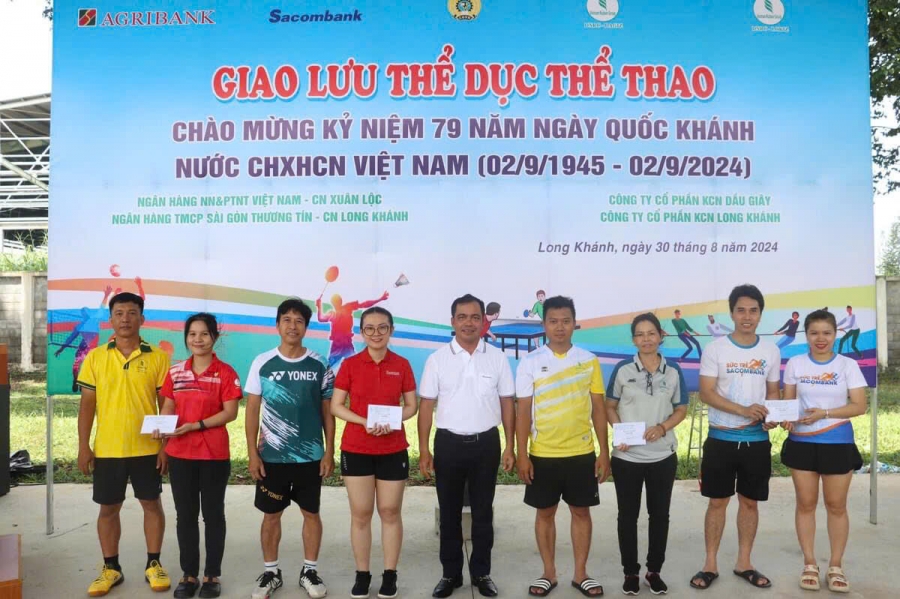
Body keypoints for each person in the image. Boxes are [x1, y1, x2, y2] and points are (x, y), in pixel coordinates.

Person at [418, 294, 516, 598]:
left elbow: (507, 403)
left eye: (475, 317)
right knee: (449, 513)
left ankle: (481, 572)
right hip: (448, 444)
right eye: (462, 317)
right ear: (453, 322)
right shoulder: (437, 359)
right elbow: (426, 406)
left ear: (483, 322)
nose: (469, 323)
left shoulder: (497, 357)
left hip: (486, 443)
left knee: (483, 513)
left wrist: (509, 446)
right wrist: (424, 450)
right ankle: (450, 574)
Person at [76, 292, 172, 597]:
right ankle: (111, 568)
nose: (125, 319)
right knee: (108, 508)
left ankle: (153, 564)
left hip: (147, 449)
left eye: (132, 313)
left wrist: (164, 446)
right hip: (108, 448)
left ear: (142, 319)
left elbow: (165, 404)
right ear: (111, 319)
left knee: (152, 505)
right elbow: (87, 405)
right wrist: (84, 446)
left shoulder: (158, 357)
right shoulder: (96, 357)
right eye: (119, 313)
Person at [516, 296, 611, 598]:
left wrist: (604, 451)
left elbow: (598, 409)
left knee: (581, 512)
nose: (560, 327)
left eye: (566, 321)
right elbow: (522, 411)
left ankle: (581, 574)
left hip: (581, 453)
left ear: (574, 324)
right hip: (542, 454)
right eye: (553, 321)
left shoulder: (589, 360)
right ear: (544, 324)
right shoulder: (529, 362)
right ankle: (549, 573)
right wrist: (521, 454)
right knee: (545, 513)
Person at [690, 284, 781, 591]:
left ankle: (744, 563)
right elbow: (706, 393)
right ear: (731, 313)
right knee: (717, 502)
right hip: (721, 439)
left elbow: (773, 392)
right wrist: (743, 410)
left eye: (753, 311)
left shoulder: (770, 351)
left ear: (760, 315)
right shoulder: (716, 349)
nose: (747, 316)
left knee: (750, 503)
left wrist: (772, 415)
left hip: (757, 442)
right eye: (741, 310)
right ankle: (710, 565)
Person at [245, 299, 335, 599]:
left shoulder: (320, 363)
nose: (292, 326)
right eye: (287, 319)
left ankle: (310, 571)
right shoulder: (263, 362)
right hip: (272, 457)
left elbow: (327, 411)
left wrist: (329, 451)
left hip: (310, 457)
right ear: (277, 325)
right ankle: (271, 572)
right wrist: (253, 453)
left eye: (299, 321)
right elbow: (252, 410)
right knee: (271, 515)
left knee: (311, 513)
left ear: (306, 327)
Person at [329, 307, 418, 599]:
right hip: (356, 448)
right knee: (361, 513)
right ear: (361, 332)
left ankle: (390, 575)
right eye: (369, 328)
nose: (376, 333)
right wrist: (364, 421)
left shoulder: (402, 365)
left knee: (390, 511)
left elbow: (411, 406)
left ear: (391, 330)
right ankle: (362, 574)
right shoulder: (350, 365)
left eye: (382, 328)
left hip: (393, 448)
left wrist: (392, 420)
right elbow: (336, 406)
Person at [153, 313, 242, 599]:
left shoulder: (225, 372)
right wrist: (162, 428)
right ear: (186, 338)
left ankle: (211, 575)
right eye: (192, 334)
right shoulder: (175, 372)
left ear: (214, 337)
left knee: (213, 515)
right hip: (180, 454)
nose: (198, 339)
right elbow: (168, 406)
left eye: (204, 334)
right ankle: (189, 574)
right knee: (186, 516)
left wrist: (197, 425)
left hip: (214, 455)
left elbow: (230, 412)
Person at [780, 310, 867, 593]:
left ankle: (836, 566)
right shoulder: (795, 363)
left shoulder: (847, 365)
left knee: (836, 505)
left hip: (838, 442)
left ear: (835, 334)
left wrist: (825, 414)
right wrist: (786, 417)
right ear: (806, 335)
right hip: (802, 443)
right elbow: (789, 403)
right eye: (814, 333)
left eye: (826, 333)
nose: (821, 338)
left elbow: (859, 406)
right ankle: (809, 563)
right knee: (805, 504)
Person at [605, 313, 688, 596]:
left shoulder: (673, 370)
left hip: (662, 457)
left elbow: (681, 409)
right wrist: (619, 431)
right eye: (640, 334)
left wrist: (663, 427)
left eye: (651, 333)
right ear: (633, 340)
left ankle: (654, 572)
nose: (646, 339)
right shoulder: (623, 369)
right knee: (627, 517)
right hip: (627, 458)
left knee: (659, 515)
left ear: (660, 336)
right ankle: (630, 572)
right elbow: (609, 406)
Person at [56, 285, 114, 392]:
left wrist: (106, 295)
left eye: (85, 311)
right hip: (87, 349)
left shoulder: (91, 320)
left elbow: (102, 308)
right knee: (78, 365)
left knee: (84, 366)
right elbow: (70, 339)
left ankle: (81, 382)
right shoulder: (85, 323)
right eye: (84, 312)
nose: (84, 313)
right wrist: (61, 349)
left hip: (89, 349)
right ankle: (76, 381)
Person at [316, 290, 389, 369]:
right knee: (330, 368)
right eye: (336, 301)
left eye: (337, 301)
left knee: (356, 366)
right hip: (338, 345)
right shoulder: (333, 313)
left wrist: (380, 299)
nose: (337, 302)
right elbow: (321, 318)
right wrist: (319, 306)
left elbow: (364, 304)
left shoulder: (345, 308)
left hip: (346, 344)